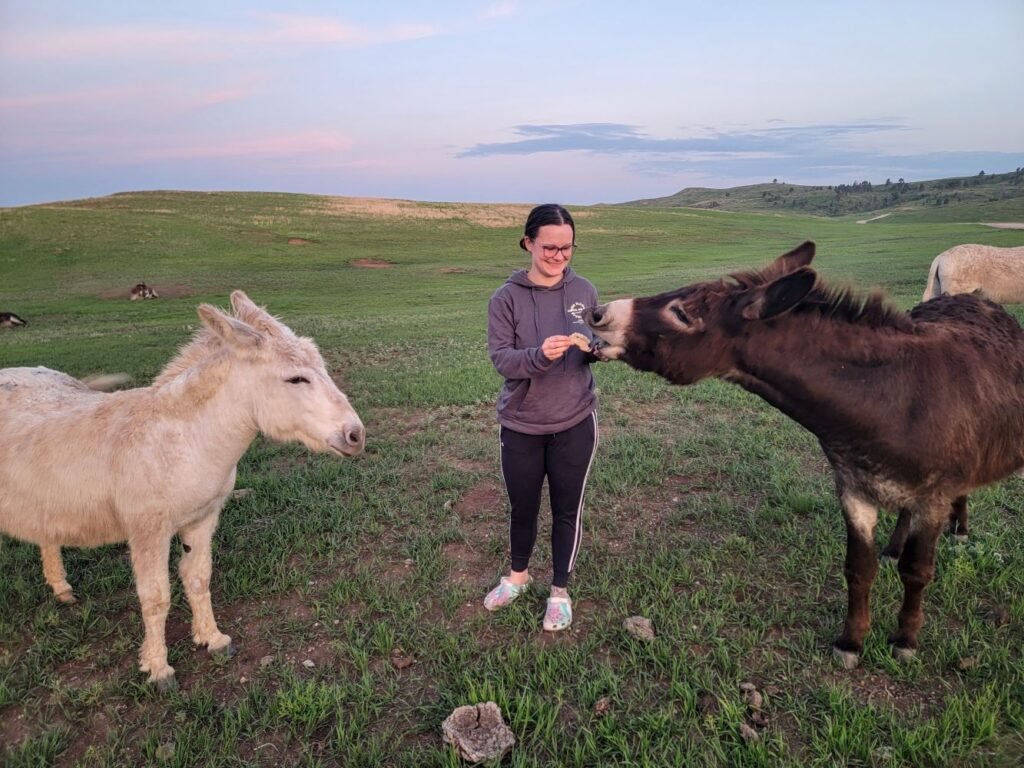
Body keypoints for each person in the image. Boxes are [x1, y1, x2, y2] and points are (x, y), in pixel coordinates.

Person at [484, 203, 605, 632]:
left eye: (566, 248)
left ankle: (559, 591)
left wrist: (594, 350)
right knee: (523, 506)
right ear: (528, 243)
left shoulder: (585, 291)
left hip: (575, 420)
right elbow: (502, 359)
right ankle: (517, 576)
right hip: (522, 424)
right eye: (549, 247)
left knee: (567, 508)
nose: (558, 255)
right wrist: (538, 356)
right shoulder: (506, 298)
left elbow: (601, 345)